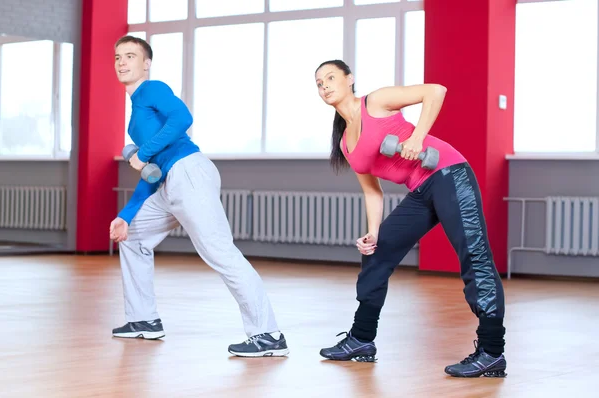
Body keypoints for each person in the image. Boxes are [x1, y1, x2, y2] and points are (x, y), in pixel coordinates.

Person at [314, 60, 507, 378]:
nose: (325, 86)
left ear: (349, 79)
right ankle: (361, 339)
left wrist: (418, 137)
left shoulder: (375, 102)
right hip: (421, 189)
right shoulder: (346, 143)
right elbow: (372, 191)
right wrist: (372, 232)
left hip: (448, 173)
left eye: (331, 77)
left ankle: (491, 352)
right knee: (378, 253)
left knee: (475, 258)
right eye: (319, 83)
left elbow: (435, 91)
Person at [109, 35, 289, 358]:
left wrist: (144, 152)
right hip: (170, 182)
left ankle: (268, 334)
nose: (122, 62)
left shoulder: (152, 89)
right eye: (118, 57)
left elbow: (183, 119)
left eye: (130, 56)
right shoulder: (136, 118)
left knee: (220, 252)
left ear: (146, 63)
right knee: (133, 236)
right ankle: (143, 319)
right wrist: (126, 215)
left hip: (189, 173)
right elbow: (153, 174)